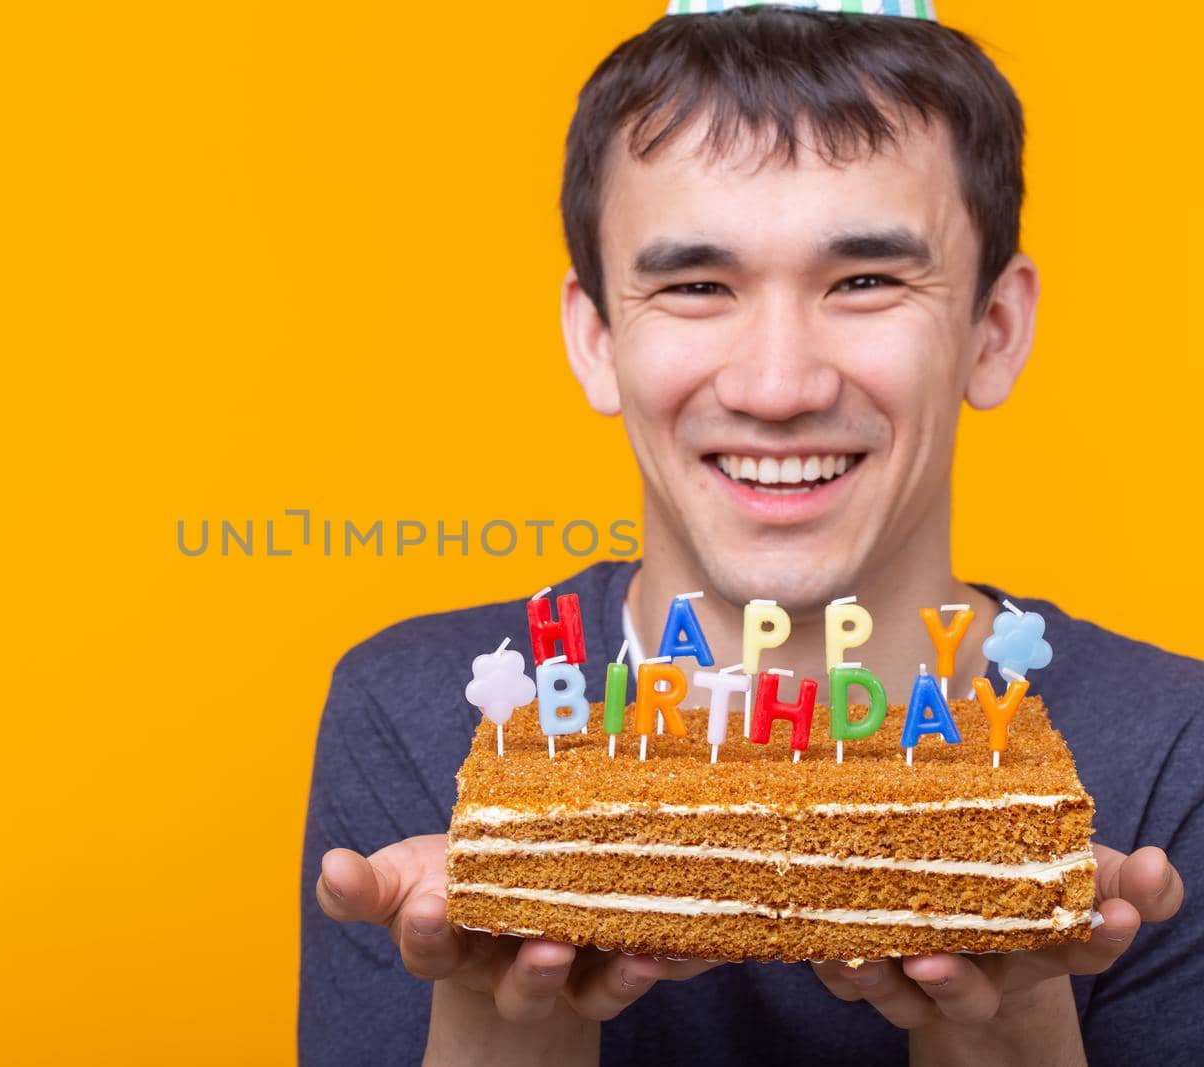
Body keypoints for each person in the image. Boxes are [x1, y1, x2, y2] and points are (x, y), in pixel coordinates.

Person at [300, 4, 1198, 1064]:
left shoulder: (1173, 748)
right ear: (596, 339)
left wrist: (1009, 1034)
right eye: (694, 285)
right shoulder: (412, 716)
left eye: (864, 281)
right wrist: (503, 1032)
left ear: (990, 332)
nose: (778, 385)